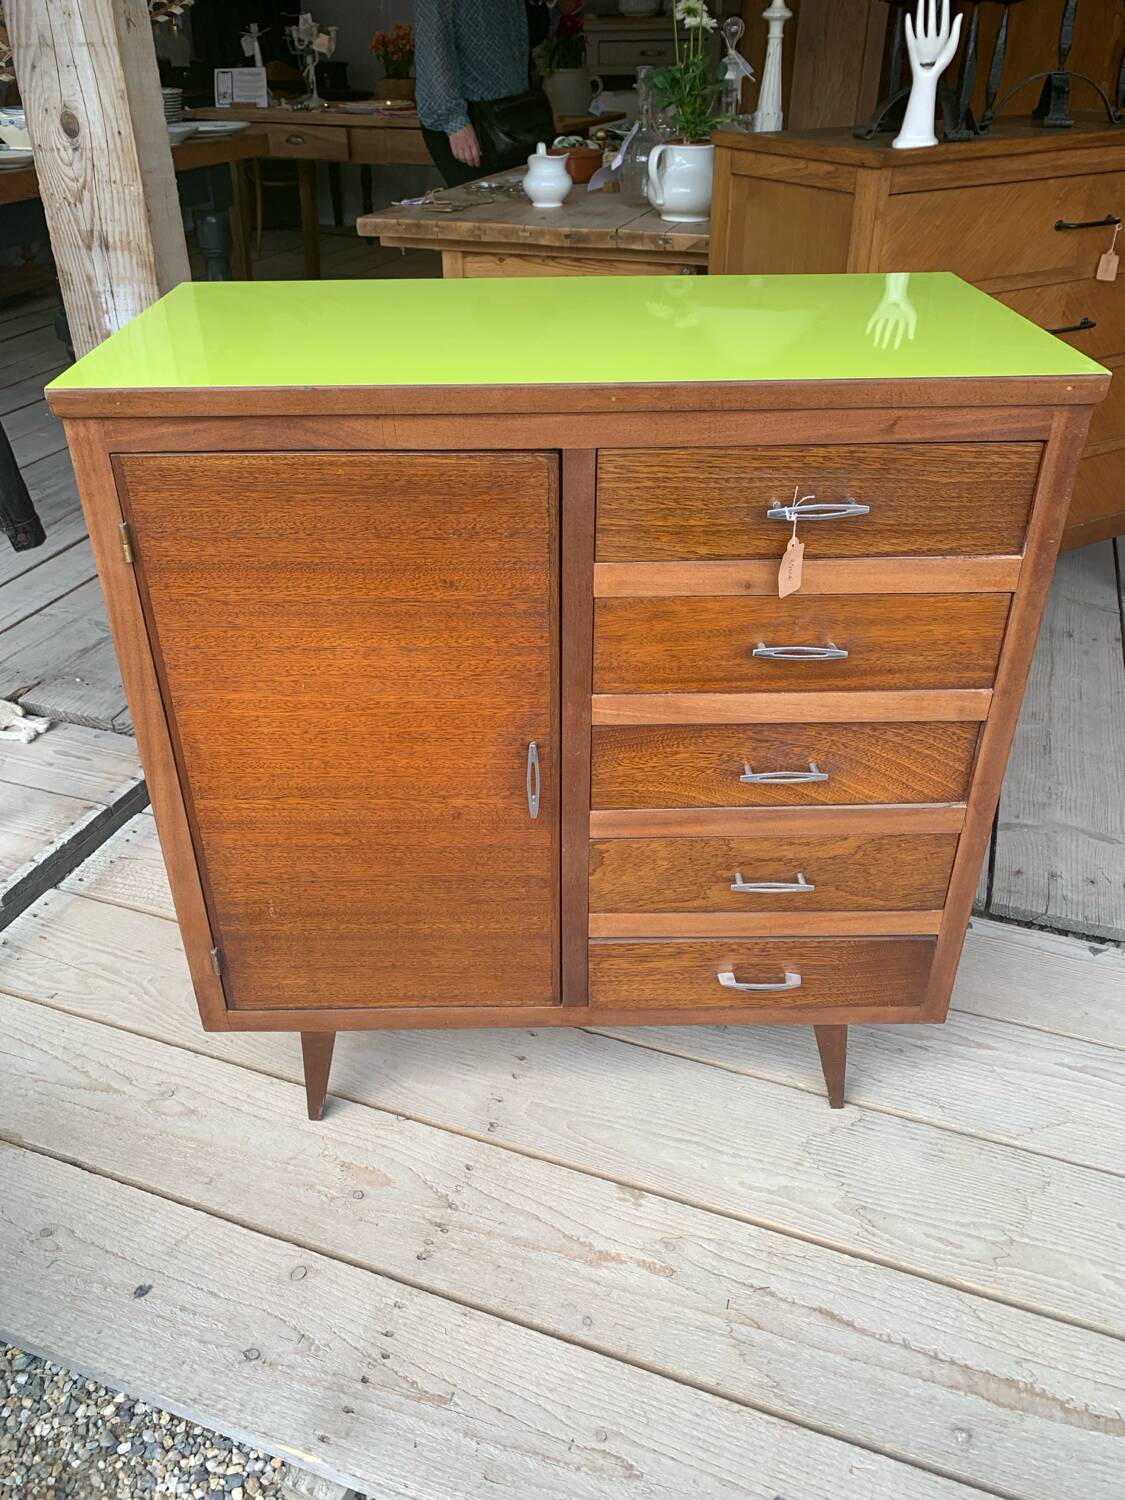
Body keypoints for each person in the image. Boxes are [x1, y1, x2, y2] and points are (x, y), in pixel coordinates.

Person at [415, 0, 559, 187]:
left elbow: (527, 37)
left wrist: (546, 5)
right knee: (483, 208)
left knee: (521, 206)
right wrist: (454, 122)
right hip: (470, 117)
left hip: (514, 111)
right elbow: (433, 43)